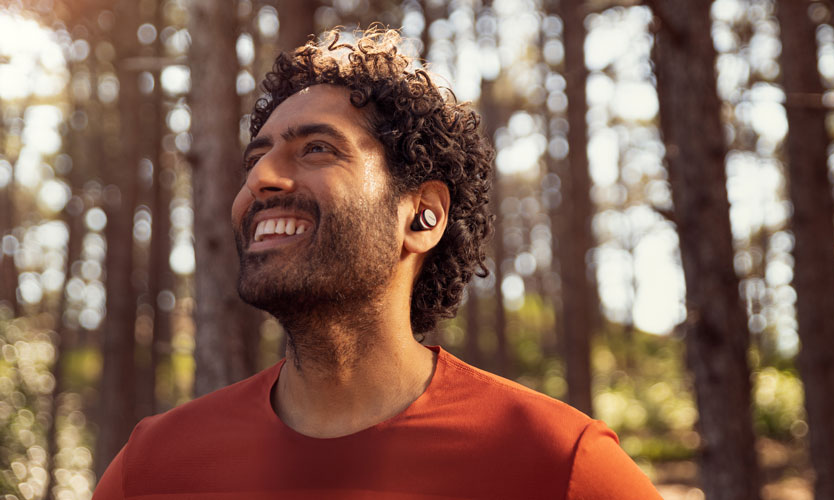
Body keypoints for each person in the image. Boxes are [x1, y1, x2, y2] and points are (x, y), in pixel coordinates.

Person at [92, 28, 662, 500]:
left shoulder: (558, 464)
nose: (260, 179)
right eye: (256, 158)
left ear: (424, 216)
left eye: (316, 148)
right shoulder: (154, 467)